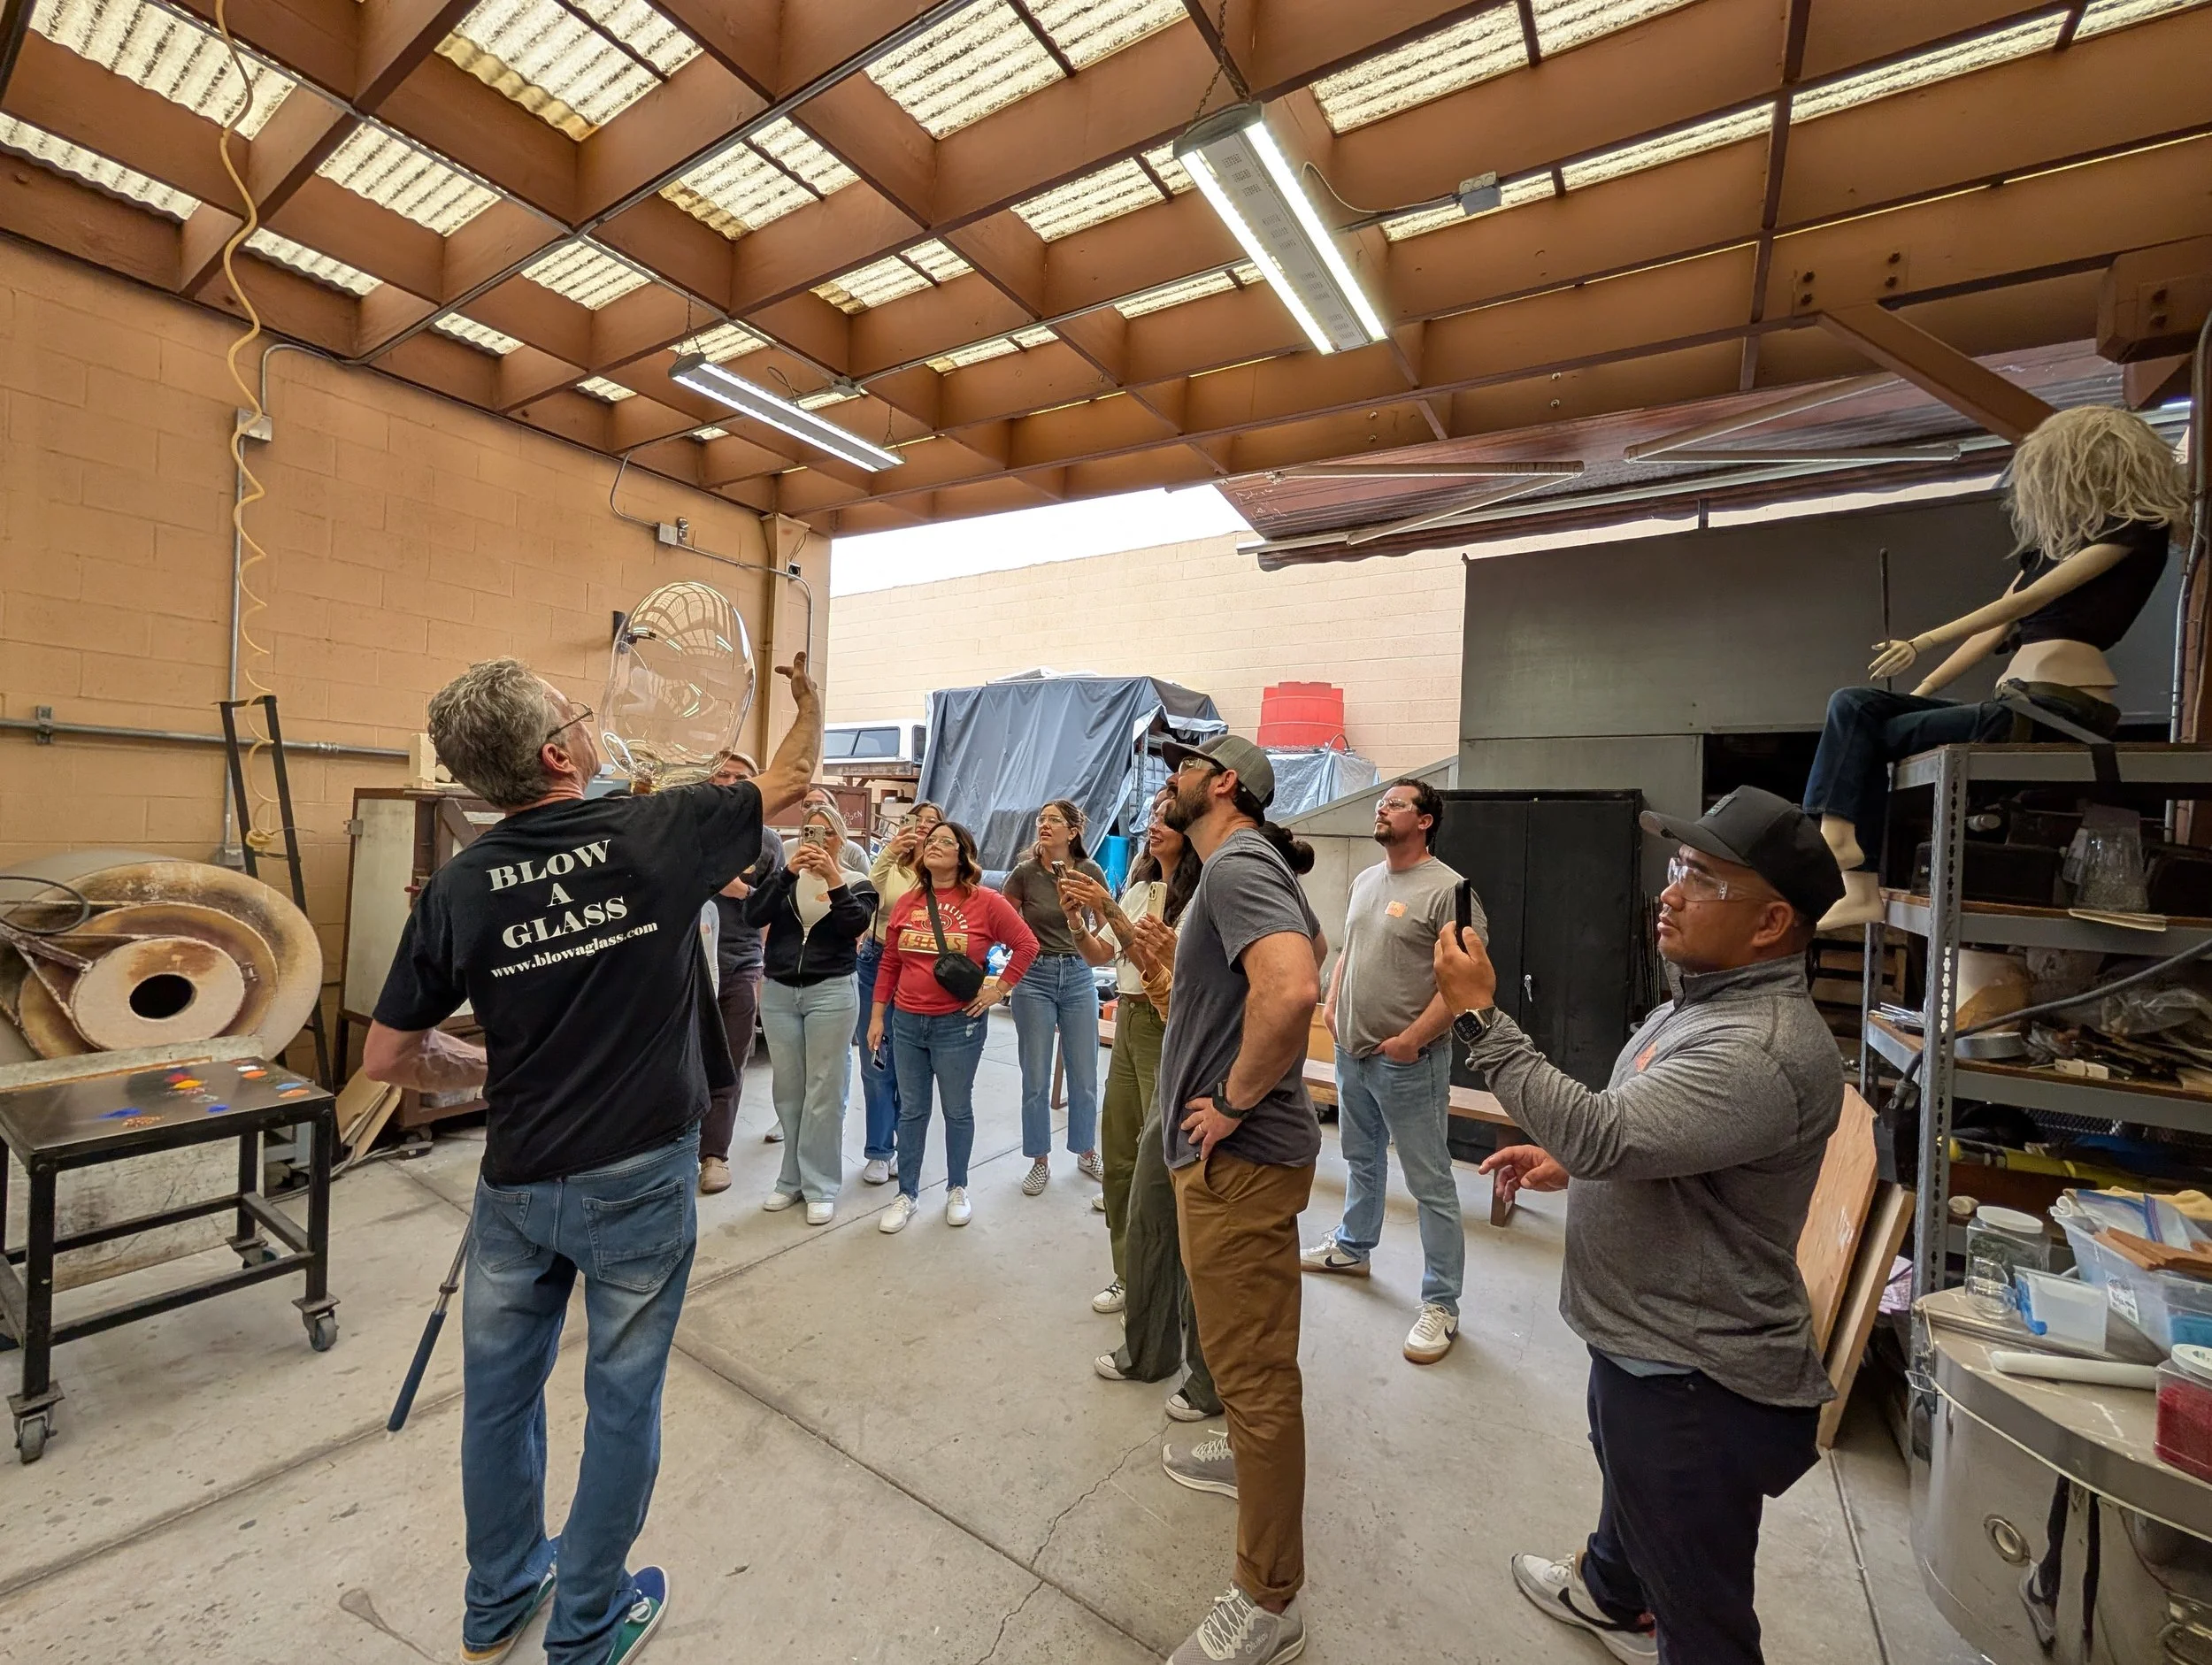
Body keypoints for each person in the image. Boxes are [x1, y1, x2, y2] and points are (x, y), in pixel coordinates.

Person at [365, 651, 820, 1665]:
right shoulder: (655, 833)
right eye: (576, 714)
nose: (590, 721)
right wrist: (810, 702)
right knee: (621, 1401)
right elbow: (788, 779)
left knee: (498, 1396)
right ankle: (585, 1628)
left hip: (515, 1182)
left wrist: (485, 1074)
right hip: (636, 1181)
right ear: (557, 751)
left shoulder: (459, 885)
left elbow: (390, 1057)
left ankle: (497, 1601)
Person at [1435, 785, 1847, 1665]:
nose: (1669, 891)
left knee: (1703, 1612)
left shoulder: (1757, 1045)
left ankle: (1645, 1605)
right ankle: (1611, 1592)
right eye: (1675, 867)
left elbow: (1605, 1127)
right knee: (1624, 1472)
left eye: (1700, 877)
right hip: (1642, 1338)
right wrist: (1574, 1165)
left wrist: (1480, 1015)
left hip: (1692, 1371)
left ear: (1772, 922)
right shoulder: (1701, 1002)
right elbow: (1639, 1135)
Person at [1802, 404, 2189, 927]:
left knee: (1867, 733)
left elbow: (2023, 605)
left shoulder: (2134, 532)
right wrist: (1926, 686)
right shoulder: (2047, 551)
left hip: (2062, 706)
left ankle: (1845, 847)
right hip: (2017, 700)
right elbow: (1994, 632)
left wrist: (1925, 639)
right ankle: (1852, 866)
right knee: (1854, 706)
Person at [1148, 734, 1325, 1665]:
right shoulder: (1247, 868)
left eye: (1181, 766)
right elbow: (1308, 957)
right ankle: (1247, 1462)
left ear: (1222, 785)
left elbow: (1294, 987)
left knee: (1255, 1377)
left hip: (1238, 1158)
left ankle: (1269, 1599)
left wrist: (1237, 1097)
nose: (1166, 779)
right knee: (1242, 1358)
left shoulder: (1236, 862)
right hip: (1241, 1156)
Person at [1302, 778, 1480, 1365]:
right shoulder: (1365, 878)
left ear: (1426, 820)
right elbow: (1354, 944)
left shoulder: (1449, 890)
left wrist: (1411, 1040)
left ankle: (1442, 1304)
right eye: (1381, 804)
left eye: (1396, 804)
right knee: (1360, 1158)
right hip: (1352, 1050)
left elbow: (1464, 985)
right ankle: (1354, 1247)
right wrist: (1333, 1000)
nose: (1382, 810)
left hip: (1409, 1062)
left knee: (1430, 1183)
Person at [1062, 789, 1221, 1423]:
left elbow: (1164, 966)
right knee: (1124, 1164)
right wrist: (1080, 917)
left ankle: (1169, 1320)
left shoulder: (1208, 891)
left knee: (1165, 1175)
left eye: (1165, 815)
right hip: (1129, 1018)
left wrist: (1108, 910)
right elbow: (1106, 955)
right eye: (1151, 815)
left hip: (1167, 1026)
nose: (1154, 825)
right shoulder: (1138, 883)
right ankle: (1133, 1281)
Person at [867, 820, 1039, 1234]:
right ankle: (906, 1192)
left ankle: (957, 1187)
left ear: (964, 855)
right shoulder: (909, 901)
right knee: (911, 1110)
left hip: (957, 1024)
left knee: (957, 1109)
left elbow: (1027, 945)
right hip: (907, 1021)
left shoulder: (986, 902)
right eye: (930, 841)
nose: (935, 846)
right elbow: (890, 961)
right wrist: (877, 1014)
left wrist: (999, 989)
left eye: (946, 841)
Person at [746, 801, 873, 1225]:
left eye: (825, 834)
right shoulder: (786, 879)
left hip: (831, 992)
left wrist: (834, 878)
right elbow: (752, 914)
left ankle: (820, 1185)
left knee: (825, 1090)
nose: (815, 842)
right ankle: (789, 1180)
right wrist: (786, 873)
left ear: (840, 839)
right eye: (808, 834)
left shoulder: (858, 882)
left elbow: (853, 926)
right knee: (789, 1089)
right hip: (781, 992)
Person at [1000, 800, 1110, 1195]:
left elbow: (1107, 929)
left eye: (1054, 820)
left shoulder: (1090, 871)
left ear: (1073, 831)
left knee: (1084, 1075)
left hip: (1080, 974)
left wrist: (1080, 919)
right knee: (1035, 1075)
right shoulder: (1024, 875)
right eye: (1041, 819)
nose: (1044, 825)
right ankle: (1039, 1160)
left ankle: (1086, 1150)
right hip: (1035, 978)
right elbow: (1004, 924)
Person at [699, 749, 784, 1192]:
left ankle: (714, 1155)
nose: (730, 782)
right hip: (685, 966)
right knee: (675, 1061)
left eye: (741, 777)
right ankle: (672, 1150)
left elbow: (773, 907)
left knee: (729, 1064)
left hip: (739, 964)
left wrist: (741, 891)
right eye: (722, 774)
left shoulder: (767, 842)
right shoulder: (682, 829)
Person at [856, 802, 944, 1185]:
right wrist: (892, 850)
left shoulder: (944, 873)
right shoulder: (892, 865)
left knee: (909, 1064)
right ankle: (879, 1149)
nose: (923, 828)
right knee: (876, 1057)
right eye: (917, 820)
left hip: (921, 968)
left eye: (932, 823)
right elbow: (871, 889)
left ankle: (905, 1147)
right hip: (877, 960)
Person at [801, 785, 872, 879]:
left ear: (834, 810)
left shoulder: (854, 852)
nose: (812, 808)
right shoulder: (788, 847)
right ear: (800, 809)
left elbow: (869, 887)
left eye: (821, 804)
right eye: (807, 805)